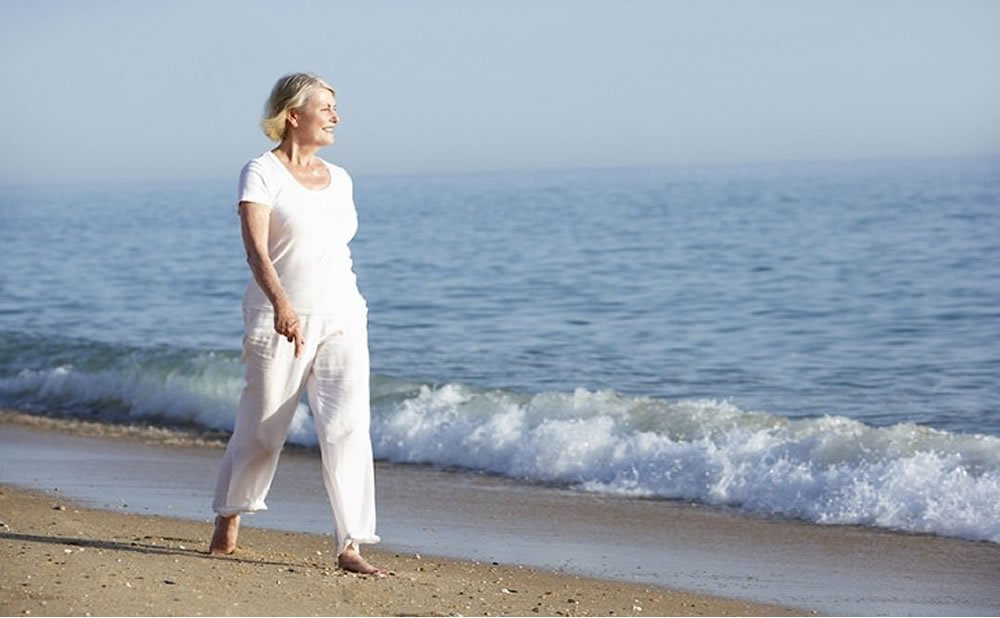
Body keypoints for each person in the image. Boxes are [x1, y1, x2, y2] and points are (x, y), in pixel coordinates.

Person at [209, 72, 382, 575]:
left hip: (344, 314)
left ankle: (350, 543)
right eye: (325, 106)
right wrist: (282, 305)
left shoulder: (342, 178)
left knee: (348, 426)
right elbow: (256, 249)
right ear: (293, 114)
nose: (336, 116)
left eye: (335, 106)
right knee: (264, 426)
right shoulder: (261, 172)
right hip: (276, 313)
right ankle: (230, 515)